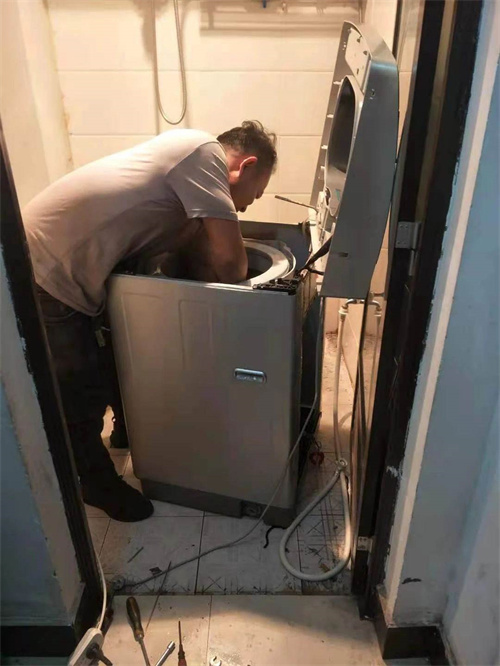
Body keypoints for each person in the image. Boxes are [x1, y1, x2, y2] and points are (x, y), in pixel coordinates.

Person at [22, 120, 277, 522]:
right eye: (254, 194)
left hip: (65, 261)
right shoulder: (202, 153)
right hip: (48, 267)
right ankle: (95, 483)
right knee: (78, 386)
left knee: (111, 356)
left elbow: (197, 257)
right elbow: (230, 265)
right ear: (245, 166)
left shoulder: (187, 183)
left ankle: (126, 431)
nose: (246, 207)